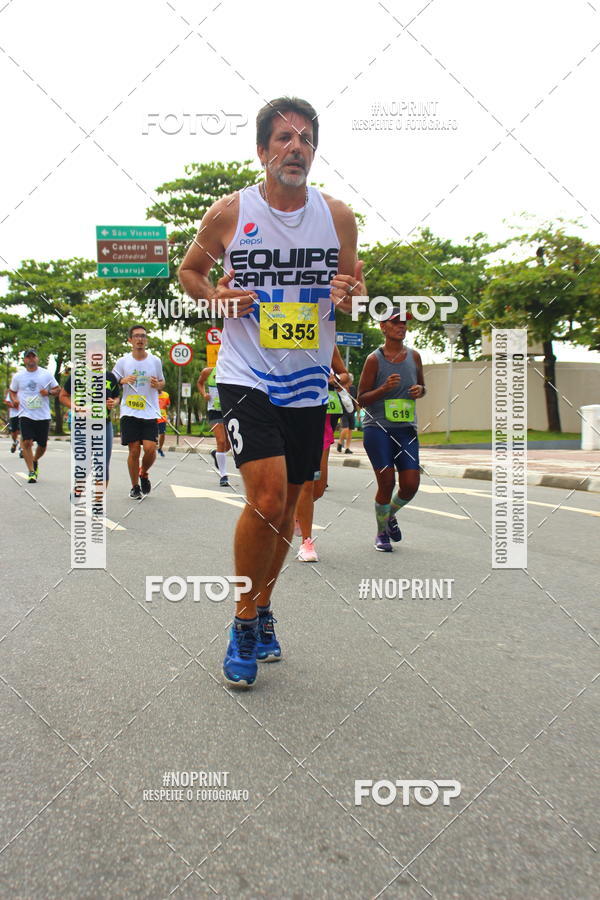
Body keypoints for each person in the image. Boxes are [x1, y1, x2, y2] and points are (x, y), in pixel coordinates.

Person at [179, 96, 364, 687]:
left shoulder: (337, 217)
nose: (296, 147)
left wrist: (347, 296)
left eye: (305, 139)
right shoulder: (232, 213)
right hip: (245, 375)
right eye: (283, 138)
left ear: (314, 151)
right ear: (262, 152)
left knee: (285, 507)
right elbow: (189, 272)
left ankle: (261, 606)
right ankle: (240, 620)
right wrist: (215, 297)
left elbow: (353, 289)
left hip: (307, 383)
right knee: (264, 496)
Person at [358, 309, 426, 551]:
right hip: (378, 429)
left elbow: (422, 387)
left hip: (406, 429)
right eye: (395, 322)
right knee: (386, 482)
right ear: (383, 327)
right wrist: (384, 389)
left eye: (404, 323)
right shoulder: (374, 359)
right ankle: (381, 533)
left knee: (411, 484)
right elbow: (361, 399)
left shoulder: (414, 357)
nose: (401, 326)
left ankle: (388, 515)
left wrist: (420, 390)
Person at [295, 346, 350, 562]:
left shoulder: (327, 341)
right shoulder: (283, 336)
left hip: (324, 416)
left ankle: (295, 510)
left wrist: (335, 378)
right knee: (306, 483)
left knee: (319, 487)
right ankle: (306, 542)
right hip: (295, 412)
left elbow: (346, 376)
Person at [112, 325, 165, 500]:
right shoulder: (122, 362)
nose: (140, 339)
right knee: (134, 450)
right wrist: (122, 380)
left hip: (149, 411)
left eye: (143, 336)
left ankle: (144, 473)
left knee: (150, 449)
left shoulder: (155, 361)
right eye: (136, 336)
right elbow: (111, 382)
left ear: (146, 340)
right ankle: (135, 486)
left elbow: (162, 383)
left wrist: (158, 385)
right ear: (130, 340)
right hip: (129, 410)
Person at [59, 370, 120, 493]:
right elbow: (63, 396)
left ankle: (98, 504)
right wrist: (77, 408)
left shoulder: (110, 376)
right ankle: (78, 490)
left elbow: (116, 396)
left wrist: (113, 402)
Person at [9, 349, 59, 483]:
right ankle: (31, 471)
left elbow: (57, 389)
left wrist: (48, 392)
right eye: (28, 357)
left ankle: (35, 460)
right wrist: (15, 400)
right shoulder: (18, 376)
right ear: (24, 360)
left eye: (33, 356)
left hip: (43, 415)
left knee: (42, 445)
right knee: (26, 442)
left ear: (37, 359)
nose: (31, 359)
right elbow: (12, 391)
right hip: (25, 414)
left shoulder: (46, 374)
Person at [197, 365, 230, 486]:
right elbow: (200, 383)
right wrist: (204, 394)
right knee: (221, 441)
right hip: (214, 410)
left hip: (230, 410)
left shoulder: (233, 370)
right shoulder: (208, 371)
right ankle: (223, 475)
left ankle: (216, 453)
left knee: (228, 445)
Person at [336, 375, 357, 454]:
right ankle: (340, 442)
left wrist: (358, 413)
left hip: (352, 411)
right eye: (349, 382)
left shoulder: (353, 388)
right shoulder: (340, 389)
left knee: (351, 430)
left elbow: (355, 400)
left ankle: (347, 448)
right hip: (343, 412)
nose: (350, 383)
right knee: (345, 429)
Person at [157, 389, 170, 457]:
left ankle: (160, 448)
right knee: (153, 435)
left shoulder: (166, 394)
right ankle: (152, 450)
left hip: (162, 418)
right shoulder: (152, 394)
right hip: (153, 418)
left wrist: (166, 406)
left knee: (162, 434)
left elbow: (168, 405)